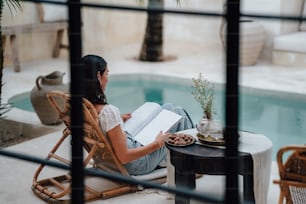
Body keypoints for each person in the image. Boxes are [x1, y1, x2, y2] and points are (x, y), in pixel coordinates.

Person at [82, 54, 194, 175]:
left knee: (167, 107)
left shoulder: (81, 106)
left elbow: (99, 126)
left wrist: (117, 120)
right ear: (98, 76)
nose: (108, 78)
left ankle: (168, 157)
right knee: (179, 113)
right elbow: (124, 157)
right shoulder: (108, 112)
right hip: (137, 163)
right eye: (107, 73)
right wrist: (157, 143)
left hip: (117, 153)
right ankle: (189, 159)